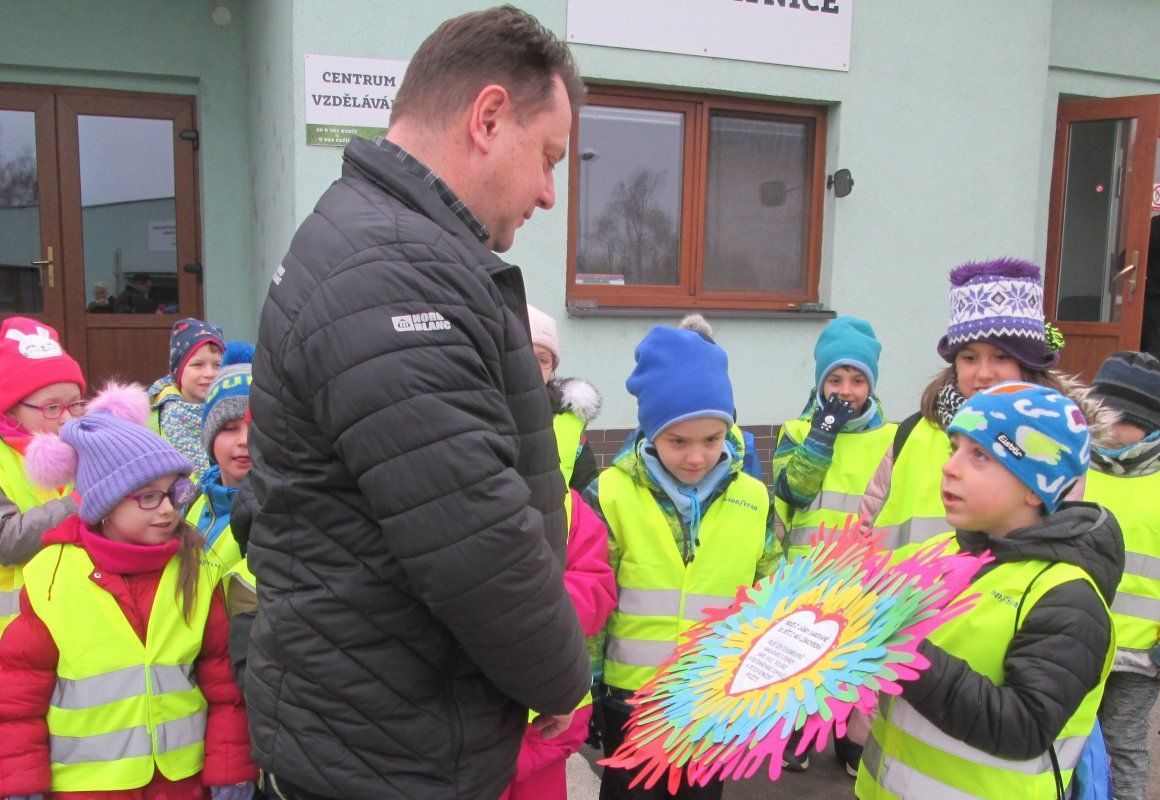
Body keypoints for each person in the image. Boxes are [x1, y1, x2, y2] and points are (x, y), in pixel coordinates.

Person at [246, 7, 591, 799]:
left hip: (379, 731)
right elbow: (477, 540)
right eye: (548, 158)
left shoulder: (376, 242)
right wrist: (560, 681)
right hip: (388, 756)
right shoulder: (391, 271)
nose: (547, 193)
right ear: (488, 117)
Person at [853, 382, 1122, 800]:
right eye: (954, 449)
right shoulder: (937, 552)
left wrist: (908, 653)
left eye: (979, 455)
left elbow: (1025, 727)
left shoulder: (1067, 598)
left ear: (1035, 486)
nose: (950, 468)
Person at [0, 384, 256, 800]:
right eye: (148, 497)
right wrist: (20, 782)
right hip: (87, 789)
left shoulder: (195, 568)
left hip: (181, 786)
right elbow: (17, 698)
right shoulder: (52, 577)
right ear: (104, 505)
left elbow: (224, 686)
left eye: (173, 493)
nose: (168, 509)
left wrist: (230, 770)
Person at [584, 325, 782, 800]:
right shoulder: (610, 494)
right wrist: (585, 688)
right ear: (652, 432)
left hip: (712, 698)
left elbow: (772, 593)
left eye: (712, 439)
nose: (696, 457)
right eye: (678, 441)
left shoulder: (753, 497)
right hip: (631, 699)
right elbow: (591, 605)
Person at [860, 258, 1097, 548]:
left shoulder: (1057, 442)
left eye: (1001, 357)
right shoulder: (914, 432)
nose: (983, 374)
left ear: (1029, 365)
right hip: (908, 579)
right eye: (970, 358)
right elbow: (867, 525)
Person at [771, 315, 896, 775]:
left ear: (871, 385)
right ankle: (800, 735)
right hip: (807, 570)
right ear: (821, 383)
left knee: (856, 664)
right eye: (836, 379)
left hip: (862, 571)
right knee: (805, 662)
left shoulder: (891, 437)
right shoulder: (797, 431)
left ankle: (851, 740)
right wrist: (821, 434)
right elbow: (793, 492)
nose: (846, 390)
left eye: (857, 380)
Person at [1085, 351, 1160, 800]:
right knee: (1068, 739)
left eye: (1118, 418)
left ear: (1147, 423)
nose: (1107, 427)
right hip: (1076, 638)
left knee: (1122, 744)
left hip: (1139, 656)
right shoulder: (1076, 468)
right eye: (1100, 414)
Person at [0, 317, 86, 634]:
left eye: (75, 405)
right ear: (12, 409)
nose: (67, 419)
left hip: (78, 624)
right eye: (52, 408)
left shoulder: (87, 445)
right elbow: (6, 541)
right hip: (13, 632)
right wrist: (77, 504)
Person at [186, 342, 253, 575]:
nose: (244, 440)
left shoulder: (277, 513)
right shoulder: (193, 500)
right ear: (209, 437)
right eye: (229, 428)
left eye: (256, 428)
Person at [529, 303, 602, 491]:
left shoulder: (569, 420)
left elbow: (587, 490)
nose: (533, 368)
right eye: (525, 356)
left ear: (553, 367)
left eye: (542, 360)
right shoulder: (484, 410)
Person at [147, 318, 224, 478]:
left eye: (217, 365)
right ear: (178, 370)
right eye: (198, 365)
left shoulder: (231, 411)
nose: (209, 373)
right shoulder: (157, 416)